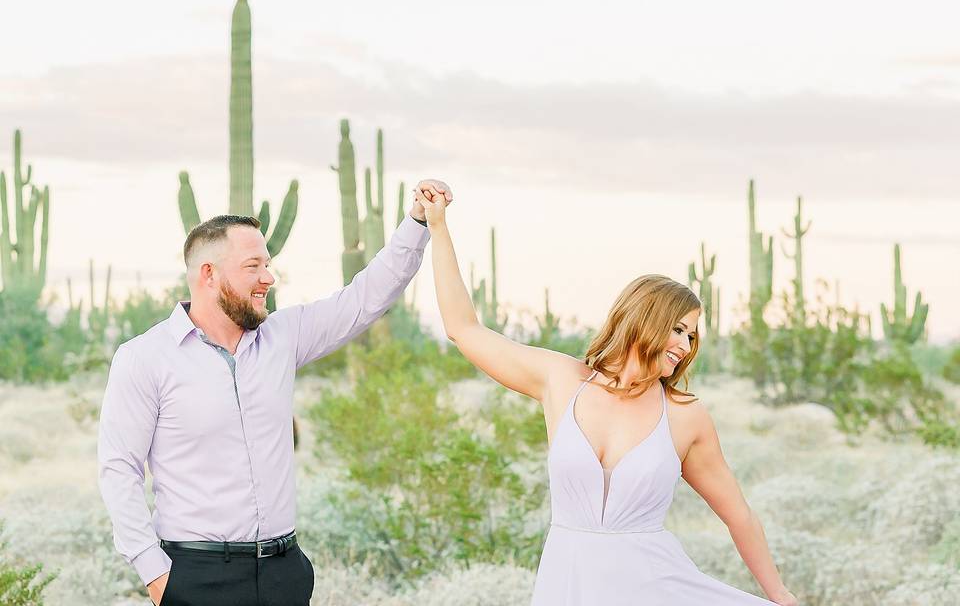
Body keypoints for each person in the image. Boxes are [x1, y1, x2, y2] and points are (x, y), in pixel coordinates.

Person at [415, 185, 799, 606]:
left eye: (691, 336)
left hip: (655, 588)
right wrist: (437, 227)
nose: (686, 345)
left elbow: (738, 514)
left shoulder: (684, 416)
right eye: (678, 329)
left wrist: (779, 594)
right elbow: (463, 329)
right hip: (567, 586)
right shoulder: (561, 380)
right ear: (643, 319)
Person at [97, 180, 453, 606]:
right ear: (208, 274)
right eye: (253, 267)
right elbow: (119, 470)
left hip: (285, 574)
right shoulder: (144, 357)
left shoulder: (284, 336)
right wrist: (157, 577)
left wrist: (415, 222)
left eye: (267, 264)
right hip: (197, 578)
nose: (269, 277)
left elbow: (366, 297)